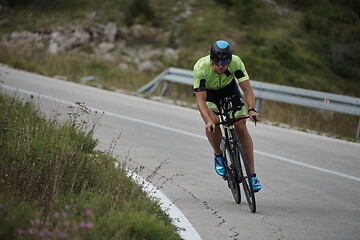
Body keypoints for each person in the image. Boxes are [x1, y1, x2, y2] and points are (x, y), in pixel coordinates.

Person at [193, 40, 262, 192]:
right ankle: (218, 155)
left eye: (224, 64)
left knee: (241, 126)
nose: (220, 67)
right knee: (214, 123)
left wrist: (251, 109)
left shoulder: (236, 62)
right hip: (209, 95)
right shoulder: (200, 67)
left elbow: (247, 90)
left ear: (229, 60)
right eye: (217, 63)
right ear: (211, 59)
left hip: (229, 90)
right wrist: (208, 120)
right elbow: (200, 100)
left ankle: (252, 175)